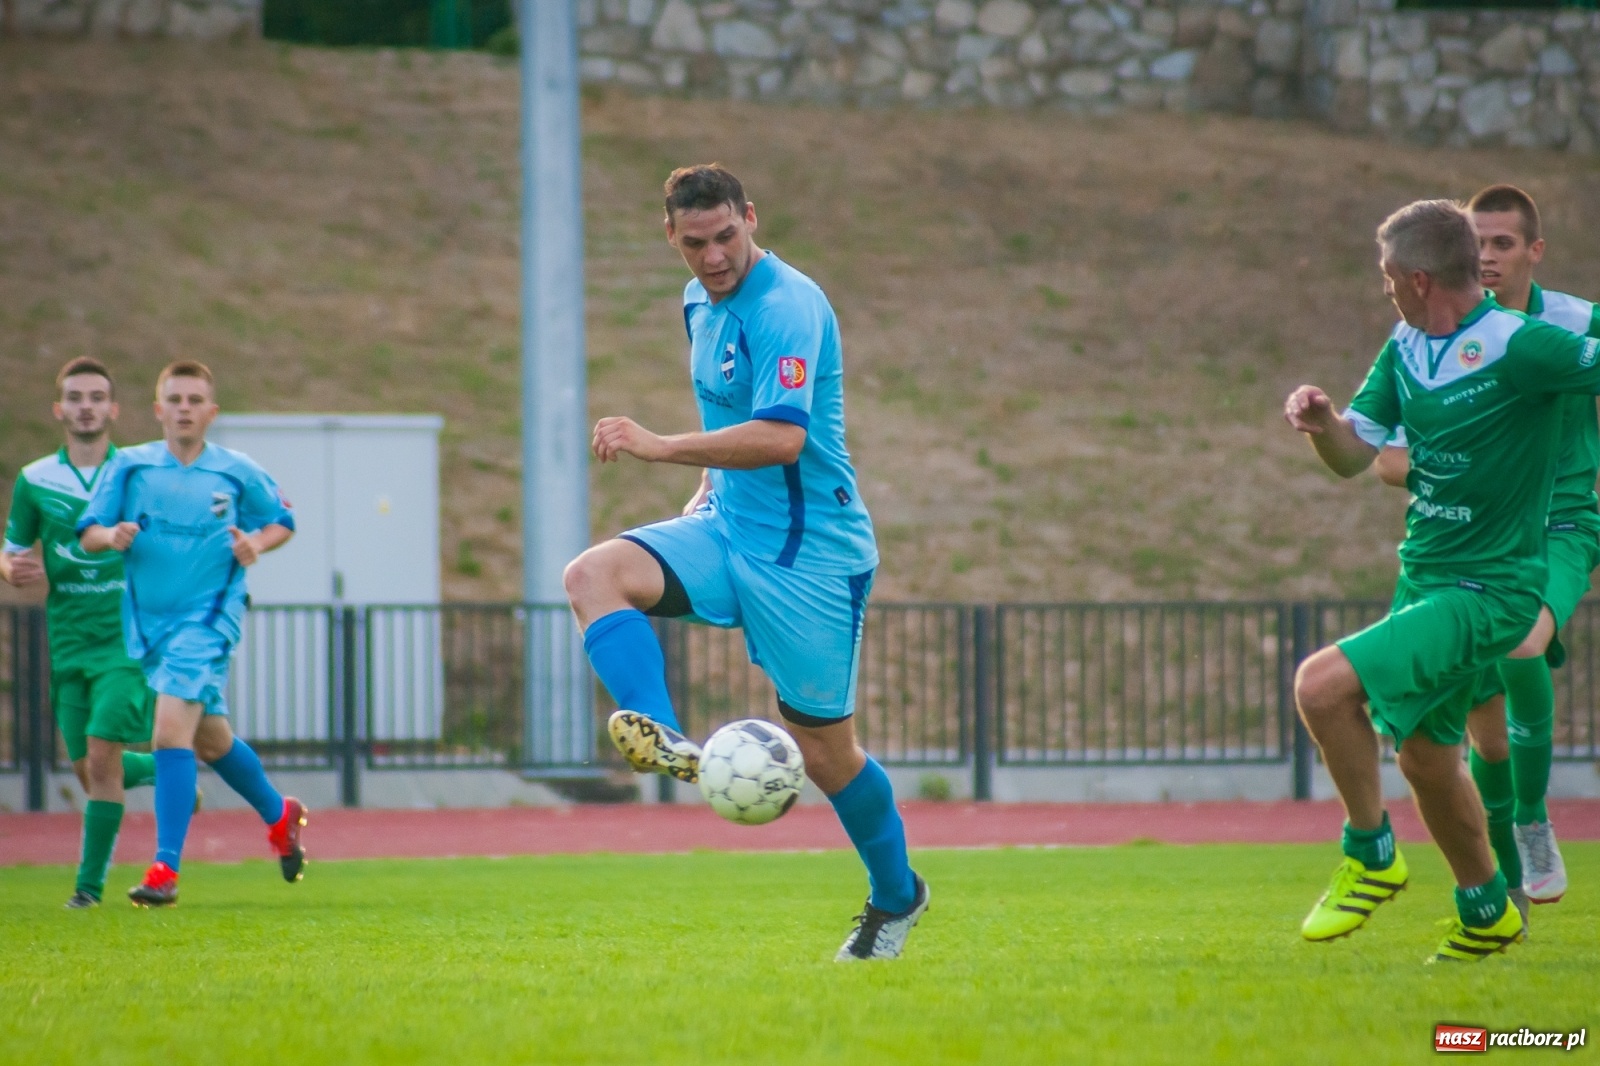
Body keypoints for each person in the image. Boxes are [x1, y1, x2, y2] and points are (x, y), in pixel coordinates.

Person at [563, 164, 926, 961]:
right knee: (593, 575)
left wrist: (659, 447)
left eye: (726, 235)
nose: (714, 255)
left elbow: (781, 436)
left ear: (750, 218)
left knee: (828, 753)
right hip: (728, 529)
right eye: (695, 242)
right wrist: (702, 486)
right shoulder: (697, 301)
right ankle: (660, 731)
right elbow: (726, 416)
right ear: (672, 238)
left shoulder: (789, 305)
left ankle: (898, 897)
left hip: (810, 557)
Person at [1283, 199, 1600, 962]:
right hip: (1424, 578)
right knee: (1426, 758)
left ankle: (1370, 854)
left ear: (1417, 278)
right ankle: (1488, 909)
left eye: (1388, 276)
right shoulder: (1406, 344)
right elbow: (1359, 453)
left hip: (1490, 591)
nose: (1384, 288)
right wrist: (1324, 422)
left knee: (1321, 687)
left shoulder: (1522, 347)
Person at [1373, 185, 1593, 911]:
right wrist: (1462, 461)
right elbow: (1384, 457)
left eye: (1504, 243)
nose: (1489, 255)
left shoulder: (1565, 324)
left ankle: (1532, 820)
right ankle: (1501, 887)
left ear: (1534, 251)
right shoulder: (1430, 341)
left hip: (1556, 524)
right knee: (1480, 744)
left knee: (1525, 639)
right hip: (1468, 545)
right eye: (1479, 243)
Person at [77, 360, 307, 906]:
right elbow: (87, 533)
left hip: (209, 618)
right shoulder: (130, 468)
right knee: (211, 740)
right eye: (175, 400)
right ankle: (280, 816)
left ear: (211, 412)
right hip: (150, 624)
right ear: (159, 410)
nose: (184, 409)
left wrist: (258, 543)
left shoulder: (236, 470)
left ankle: (165, 869)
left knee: (168, 733)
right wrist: (112, 535)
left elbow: (282, 520)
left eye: (195, 400)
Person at [1, 358, 168, 908]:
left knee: (99, 762)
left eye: (97, 397)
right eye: (75, 397)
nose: (86, 406)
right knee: (86, 768)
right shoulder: (34, 479)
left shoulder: (140, 474)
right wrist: (10, 569)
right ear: (59, 410)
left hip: (126, 639)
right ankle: (169, 770)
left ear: (114, 410)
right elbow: (13, 550)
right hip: (68, 639)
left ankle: (87, 891)